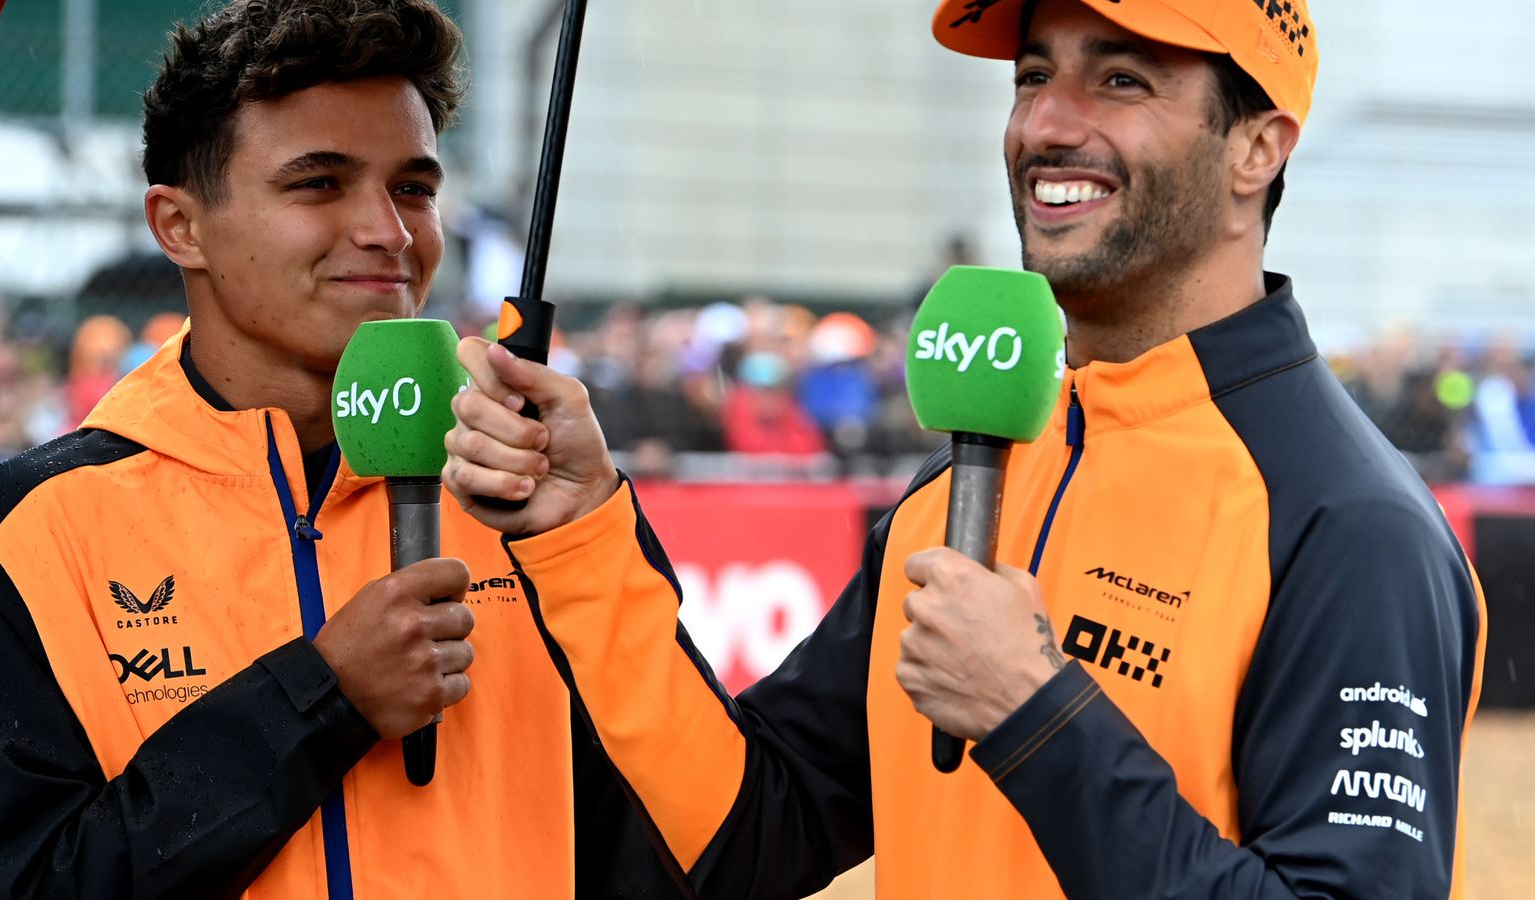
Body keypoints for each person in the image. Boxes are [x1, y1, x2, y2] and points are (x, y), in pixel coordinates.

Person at [441, 1, 1487, 898]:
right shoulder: (962, 485)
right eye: (1033, 75)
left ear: (1257, 146)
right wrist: (580, 530)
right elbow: (747, 831)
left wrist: (1037, 717)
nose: (1045, 122)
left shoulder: (1350, 525)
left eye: (1121, 79)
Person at [0, 1, 674, 897]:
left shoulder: (533, 501)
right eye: (319, 183)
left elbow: (674, 846)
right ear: (179, 225)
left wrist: (593, 537)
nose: (389, 232)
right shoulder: (10, 538)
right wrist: (321, 697)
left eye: (414, 187)